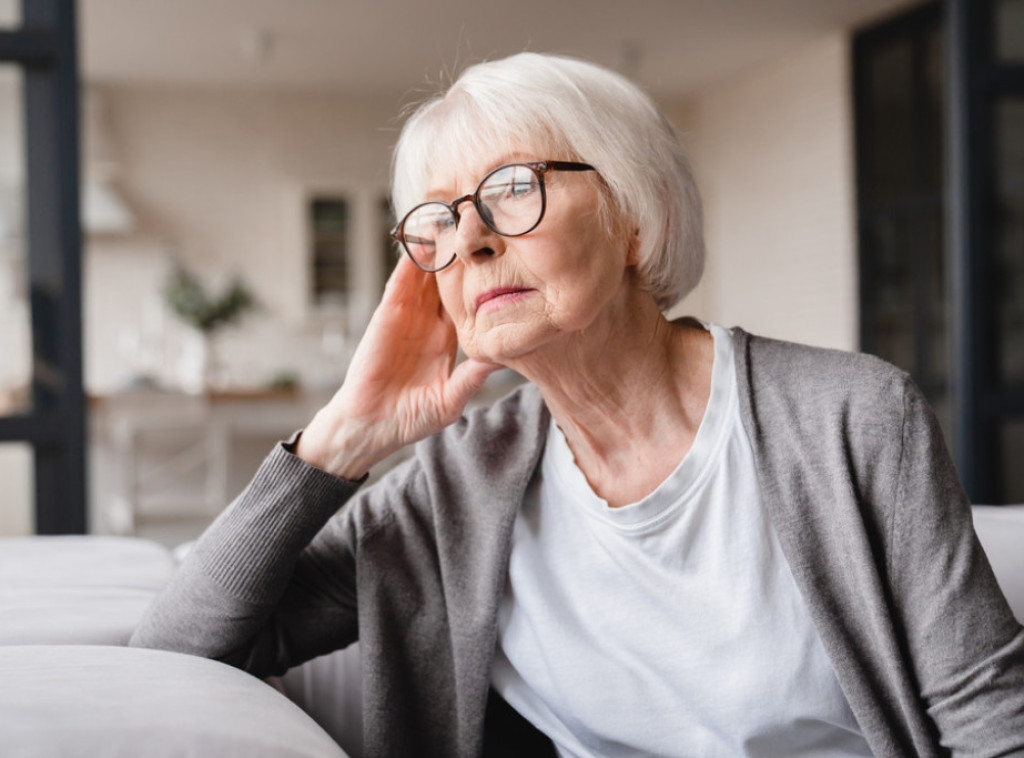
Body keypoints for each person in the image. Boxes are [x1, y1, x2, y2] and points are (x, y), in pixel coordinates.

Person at [130, 52, 1024, 757]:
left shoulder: (851, 418)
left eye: (513, 188)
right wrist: (341, 440)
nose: (472, 239)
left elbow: (993, 726)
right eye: (438, 220)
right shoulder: (454, 486)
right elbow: (172, 655)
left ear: (633, 218)